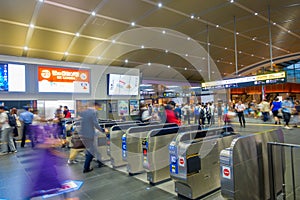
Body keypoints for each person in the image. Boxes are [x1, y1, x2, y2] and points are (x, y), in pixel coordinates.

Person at [79, 102, 106, 173]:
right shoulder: (93, 112)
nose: (99, 108)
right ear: (96, 106)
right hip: (89, 134)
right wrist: (103, 130)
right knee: (91, 151)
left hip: (84, 133)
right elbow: (95, 123)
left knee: (94, 149)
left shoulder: (85, 112)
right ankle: (86, 168)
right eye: (99, 107)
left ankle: (100, 162)